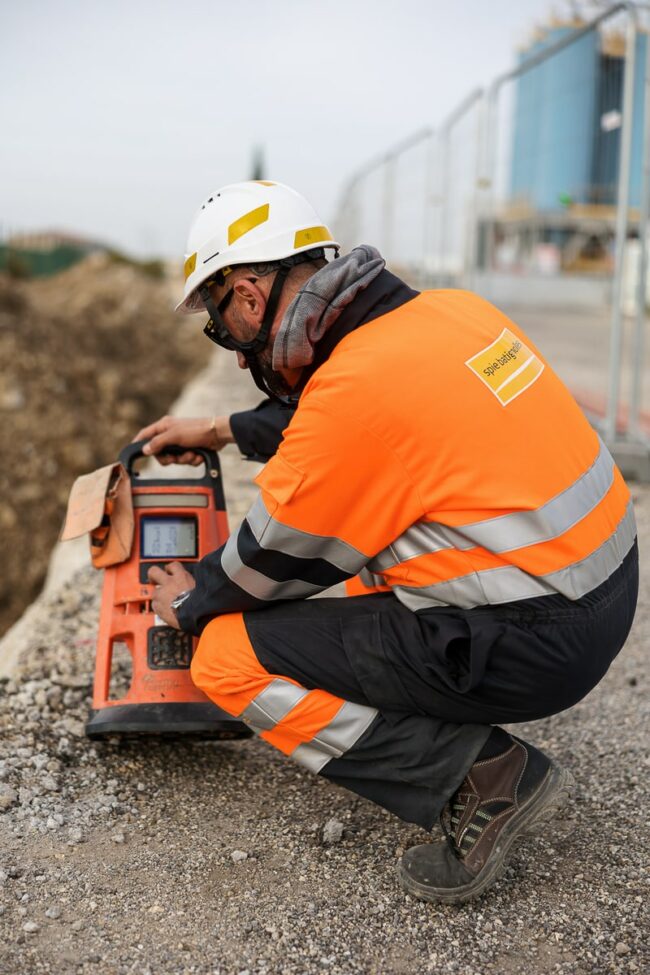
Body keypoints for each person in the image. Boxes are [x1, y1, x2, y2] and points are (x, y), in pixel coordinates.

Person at [136, 180, 638, 904]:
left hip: (536, 641)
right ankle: (449, 719)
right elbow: (350, 418)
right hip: (605, 588)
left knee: (228, 655)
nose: (238, 351)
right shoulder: (446, 314)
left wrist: (190, 600)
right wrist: (218, 429)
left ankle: (481, 774)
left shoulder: (355, 391)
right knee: (376, 542)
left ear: (247, 296)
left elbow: (266, 564)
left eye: (223, 325)